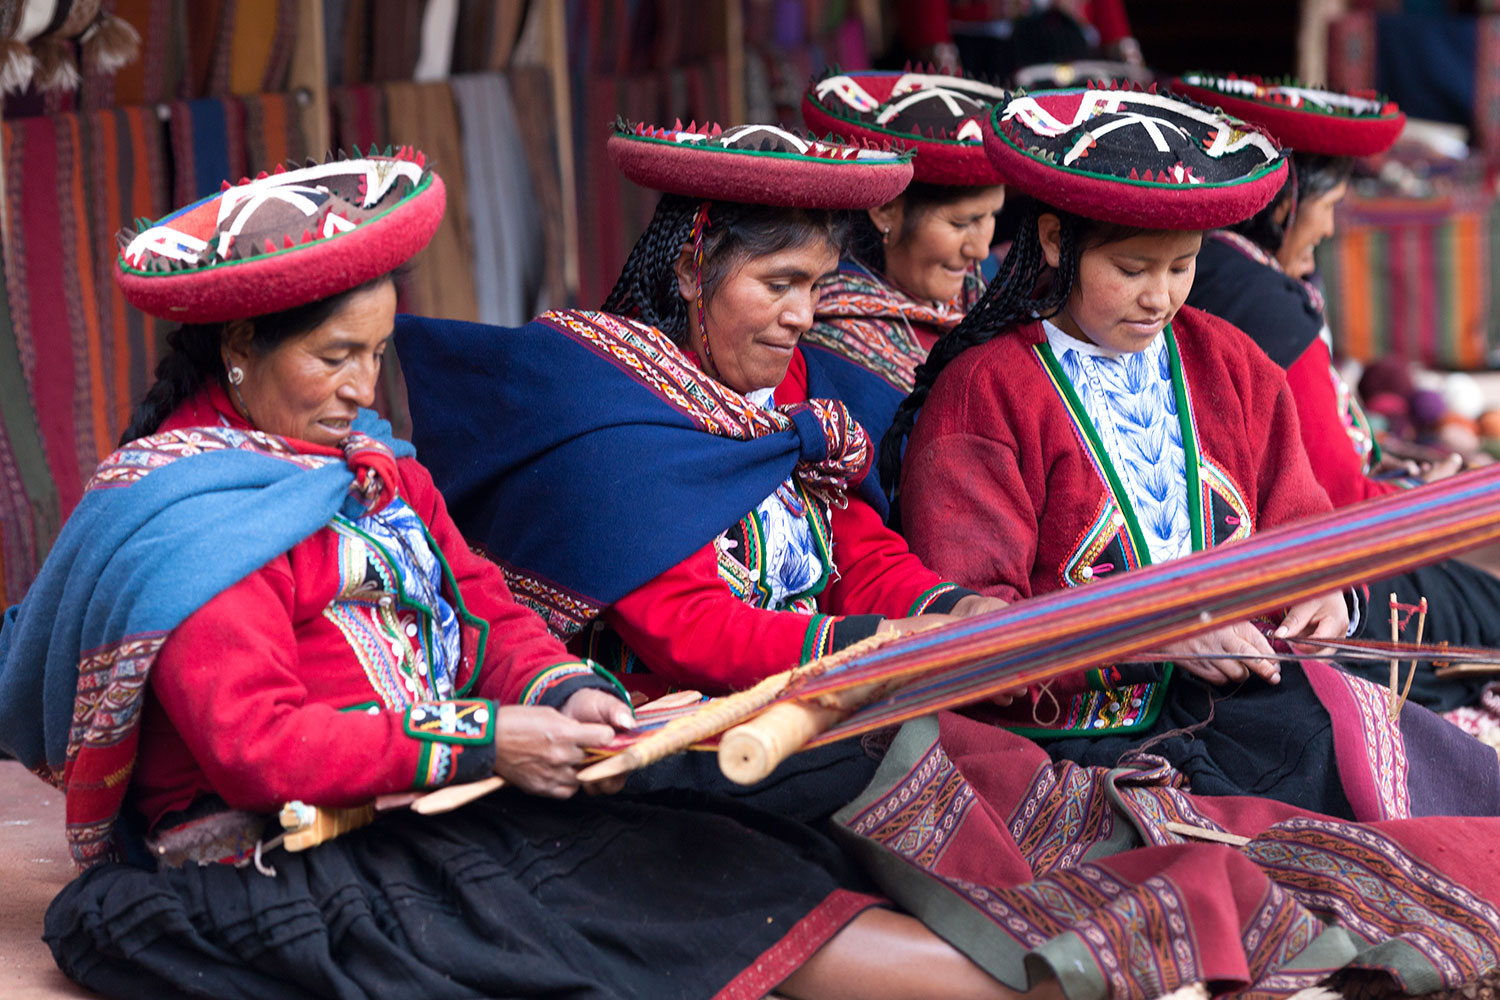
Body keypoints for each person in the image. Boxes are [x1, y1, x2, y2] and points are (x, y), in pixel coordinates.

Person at [0, 151, 1051, 1000]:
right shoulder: (196, 521)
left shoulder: (369, 462)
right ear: (236, 345)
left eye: (375, 354)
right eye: (333, 356)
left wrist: (566, 691)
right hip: (287, 853)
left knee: (718, 865)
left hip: (438, 796)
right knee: (597, 911)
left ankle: (1056, 968)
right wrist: (490, 736)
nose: (362, 388)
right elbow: (257, 747)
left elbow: (483, 605)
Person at [886, 84, 1500, 822]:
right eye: (1134, 269)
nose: (1159, 298)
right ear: (1054, 241)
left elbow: (1299, 529)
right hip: (1074, 740)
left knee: (1425, 778)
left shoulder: (1231, 365)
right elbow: (979, 629)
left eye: (1180, 268)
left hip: (1247, 703)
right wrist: (1149, 632)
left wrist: (1325, 591)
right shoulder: (984, 394)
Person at [396, 122, 1009, 817]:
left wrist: (956, 610)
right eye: (779, 284)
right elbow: (687, 627)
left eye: (816, 285)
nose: (804, 315)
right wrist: (870, 644)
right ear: (691, 272)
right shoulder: (611, 408)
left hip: (801, 712)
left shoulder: (788, 386)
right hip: (666, 756)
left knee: (985, 760)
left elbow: (858, 550)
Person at [1175, 72, 1500, 713]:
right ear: (1282, 204)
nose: (1325, 232)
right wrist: (1425, 494)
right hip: (1294, 569)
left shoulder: (1216, 266)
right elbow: (1337, 501)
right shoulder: (1259, 300)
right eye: (1326, 209)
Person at [796, 68, 1007, 450]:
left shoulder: (991, 291)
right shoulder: (829, 356)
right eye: (962, 223)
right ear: (886, 210)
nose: (978, 249)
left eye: (991, 216)